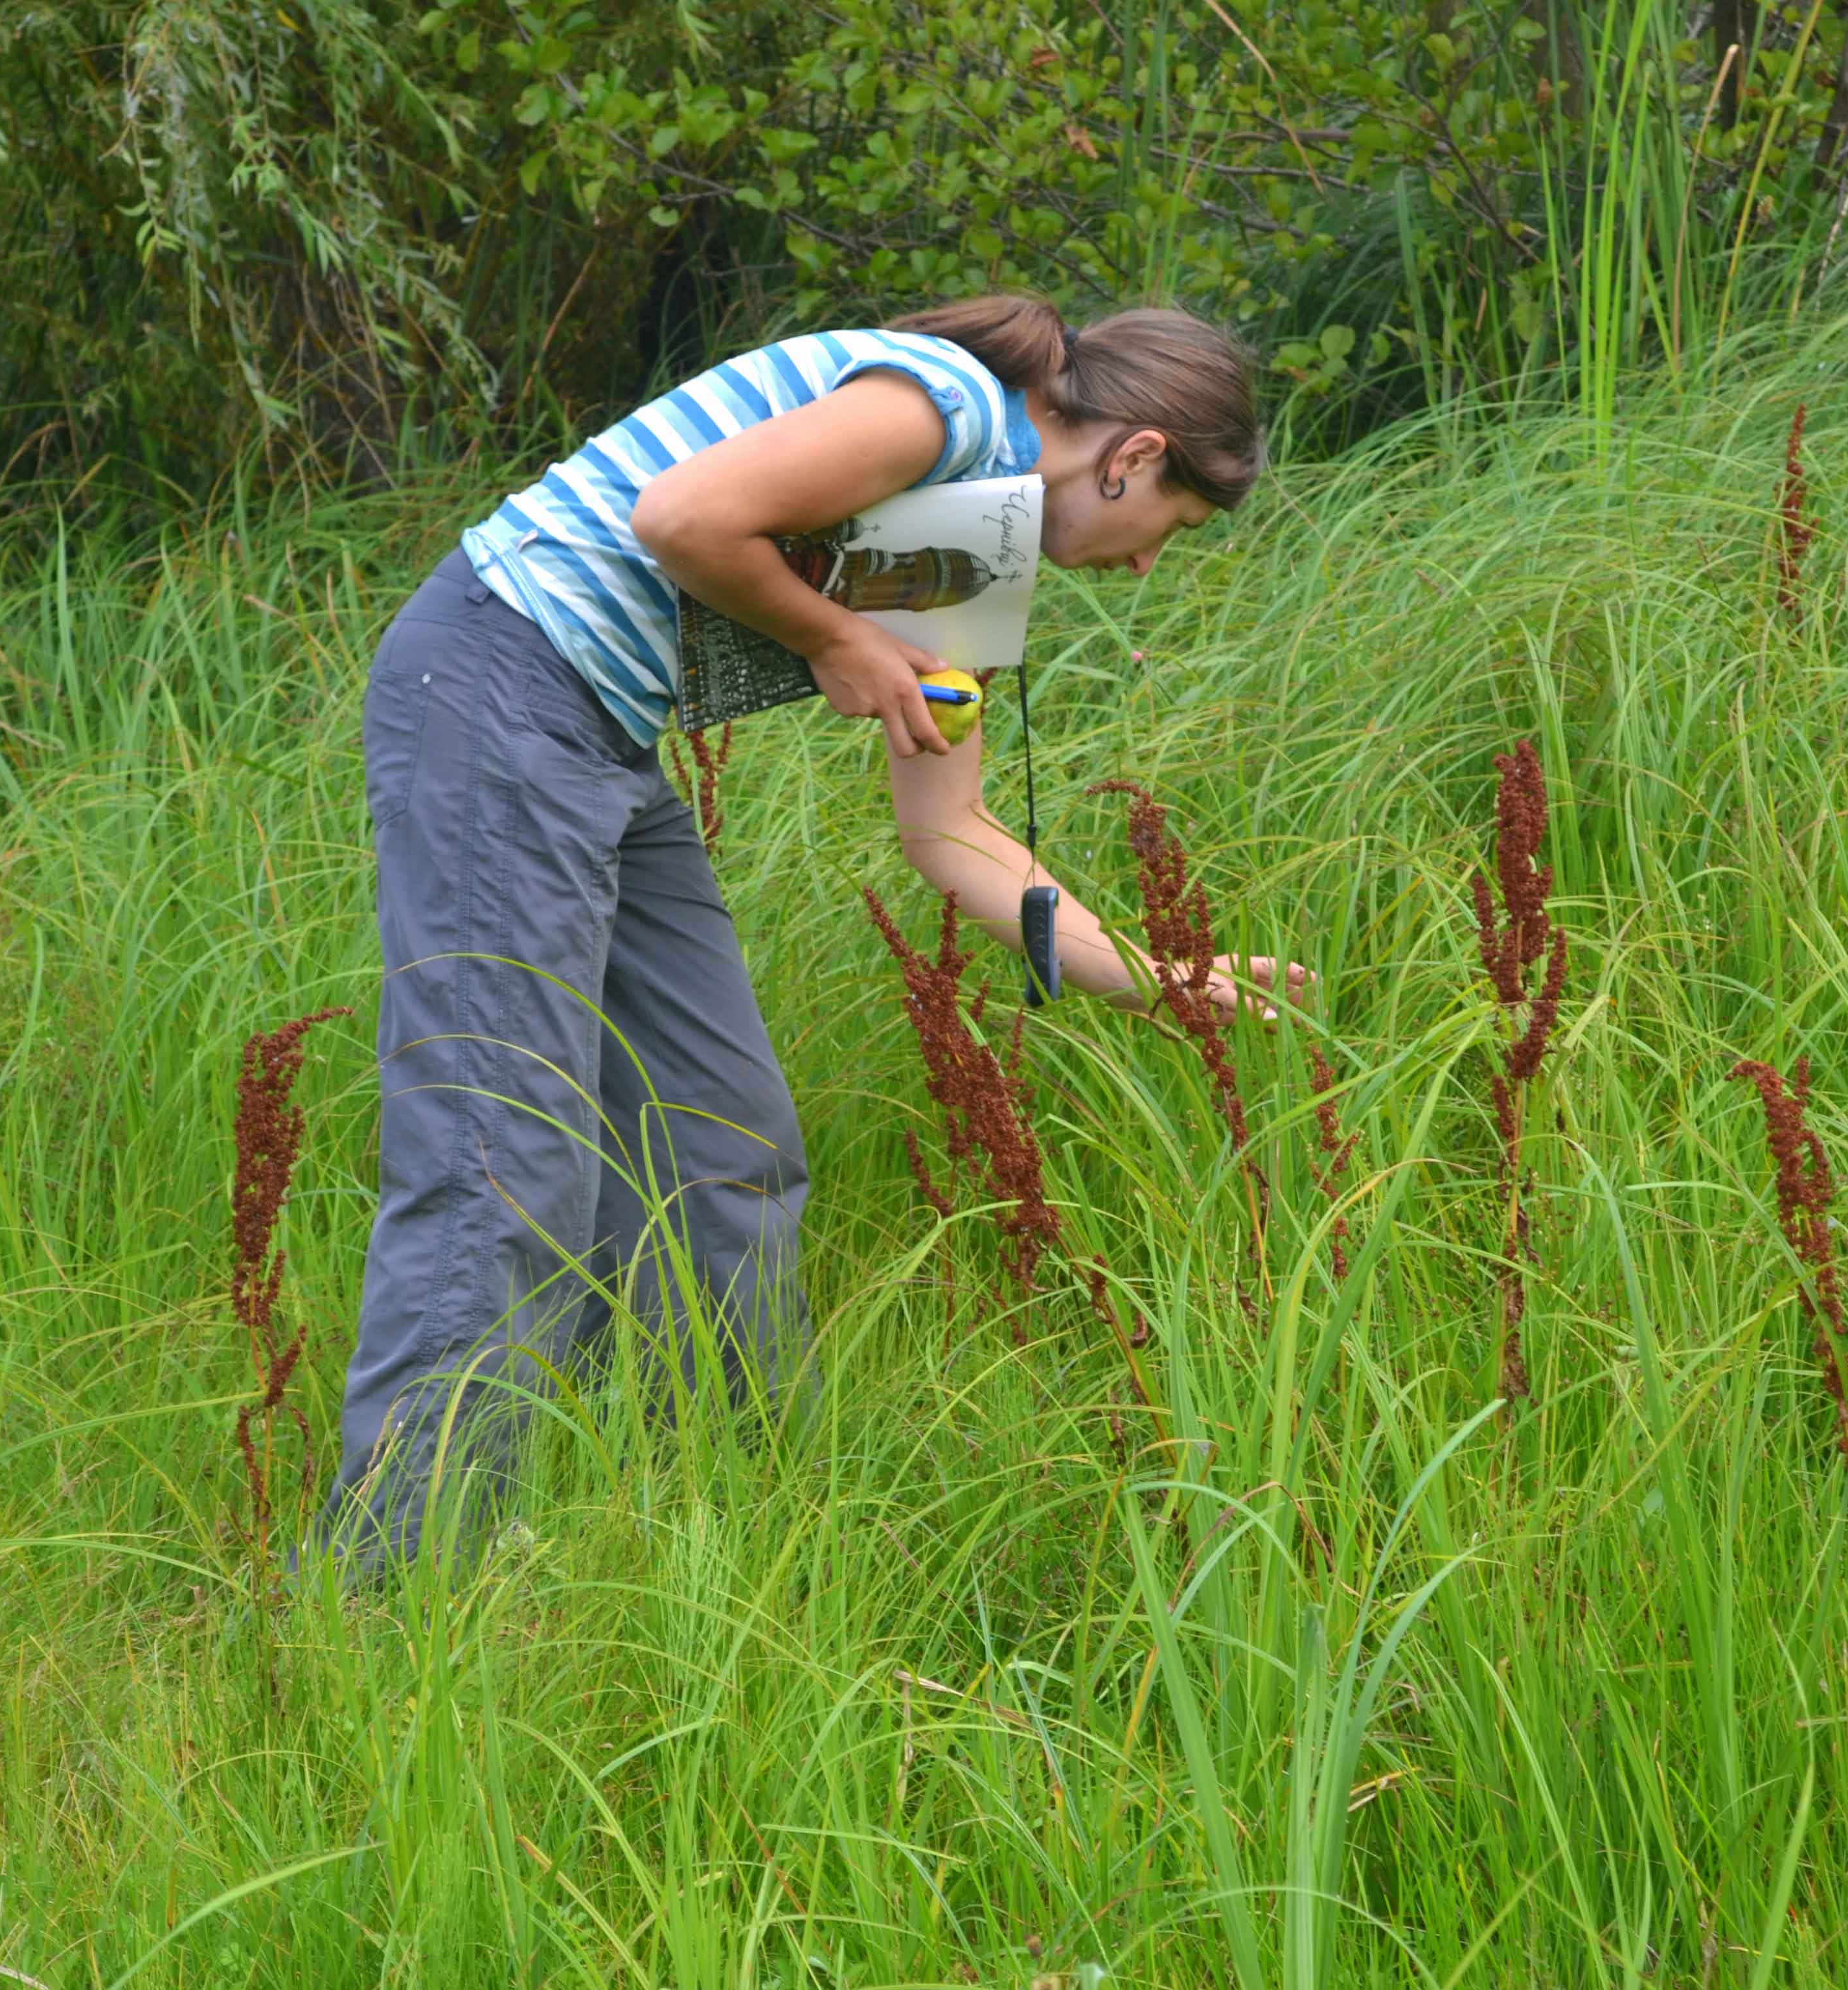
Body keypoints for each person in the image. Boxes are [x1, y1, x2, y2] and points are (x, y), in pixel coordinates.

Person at [321, 295, 1303, 1564]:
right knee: (505, 1156)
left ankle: (705, 1527)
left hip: (596, 739)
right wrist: (836, 637)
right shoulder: (942, 408)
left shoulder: (972, 553)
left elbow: (951, 835)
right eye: (1171, 529)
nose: (1150, 565)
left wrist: (1152, 976)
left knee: (726, 1140)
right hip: (502, 682)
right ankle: (396, 1587)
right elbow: (681, 516)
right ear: (1138, 456)